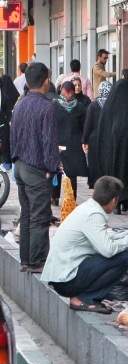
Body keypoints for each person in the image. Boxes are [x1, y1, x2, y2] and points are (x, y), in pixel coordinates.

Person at [41, 176, 128, 314]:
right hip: (66, 280)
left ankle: (85, 296)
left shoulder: (88, 208)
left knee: (118, 253)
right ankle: (85, 298)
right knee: (123, 258)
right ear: (114, 200)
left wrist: (127, 234)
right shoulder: (93, 215)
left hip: (63, 275)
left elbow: (104, 236)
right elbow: (108, 249)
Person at [10, 62, 60, 273]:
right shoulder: (47, 107)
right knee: (40, 215)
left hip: (20, 165)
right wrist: (51, 167)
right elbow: (49, 142)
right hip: (35, 167)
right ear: (46, 80)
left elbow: (12, 135)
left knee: (27, 214)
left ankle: (25, 260)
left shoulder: (20, 104)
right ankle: (38, 261)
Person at [95, 79, 128, 211]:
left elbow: (102, 129)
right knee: (125, 173)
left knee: (113, 174)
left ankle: (115, 203)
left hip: (110, 151)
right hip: (127, 150)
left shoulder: (108, 106)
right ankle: (124, 201)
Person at [52, 80, 89, 204]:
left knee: (72, 173)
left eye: (70, 92)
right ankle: (55, 196)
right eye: (66, 92)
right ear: (61, 91)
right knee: (56, 171)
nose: (68, 95)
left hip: (73, 144)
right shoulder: (54, 105)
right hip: (58, 143)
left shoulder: (79, 107)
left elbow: (84, 126)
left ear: (73, 92)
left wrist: (84, 140)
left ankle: (72, 198)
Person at [82, 80, 112, 188]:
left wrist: (84, 140)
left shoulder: (93, 105)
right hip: (108, 139)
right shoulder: (112, 105)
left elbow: (88, 124)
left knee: (95, 163)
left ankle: (95, 183)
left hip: (94, 139)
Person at [0, 74, 20, 169]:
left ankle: (7, 163)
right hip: (16, 121)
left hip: (6, 123)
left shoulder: (3, 95)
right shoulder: (15, 93)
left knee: (6, 141)